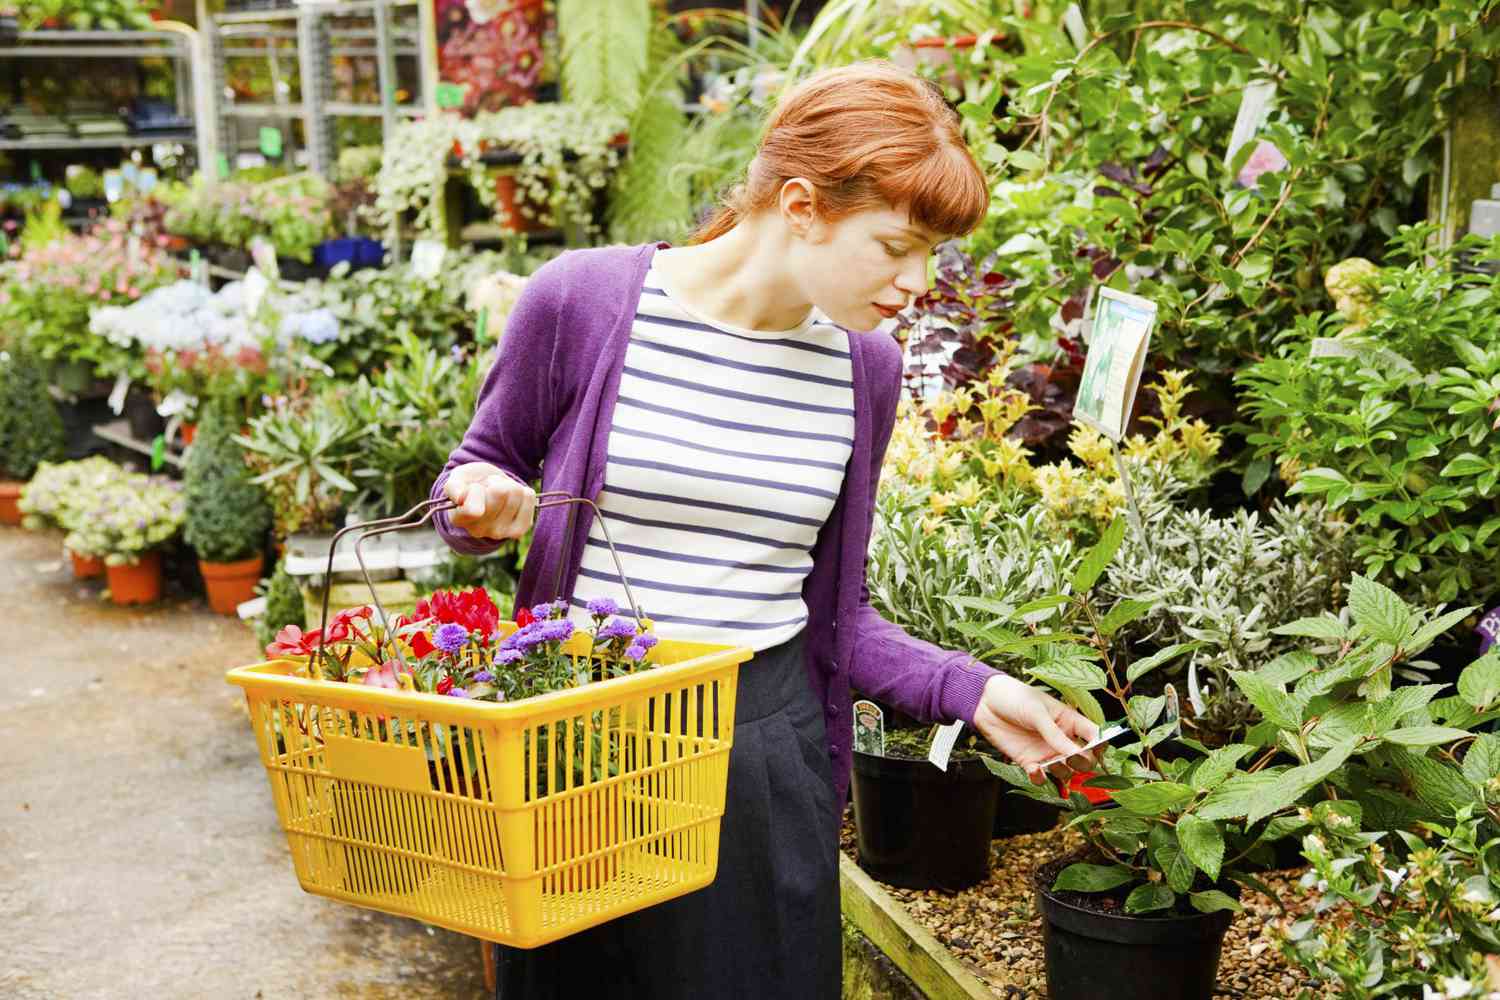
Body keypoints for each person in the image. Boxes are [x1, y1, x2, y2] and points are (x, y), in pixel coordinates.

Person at [431, 60, 1100, 1000]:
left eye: (933, 256)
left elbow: (839, 616)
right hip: (576, 751)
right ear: (801, 204)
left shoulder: (864, 371)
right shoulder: (583, 302)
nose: (919, 283)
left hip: (756, 758)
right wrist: (487, 503)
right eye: (897, 246)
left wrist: (973, 692)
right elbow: (468, 478)